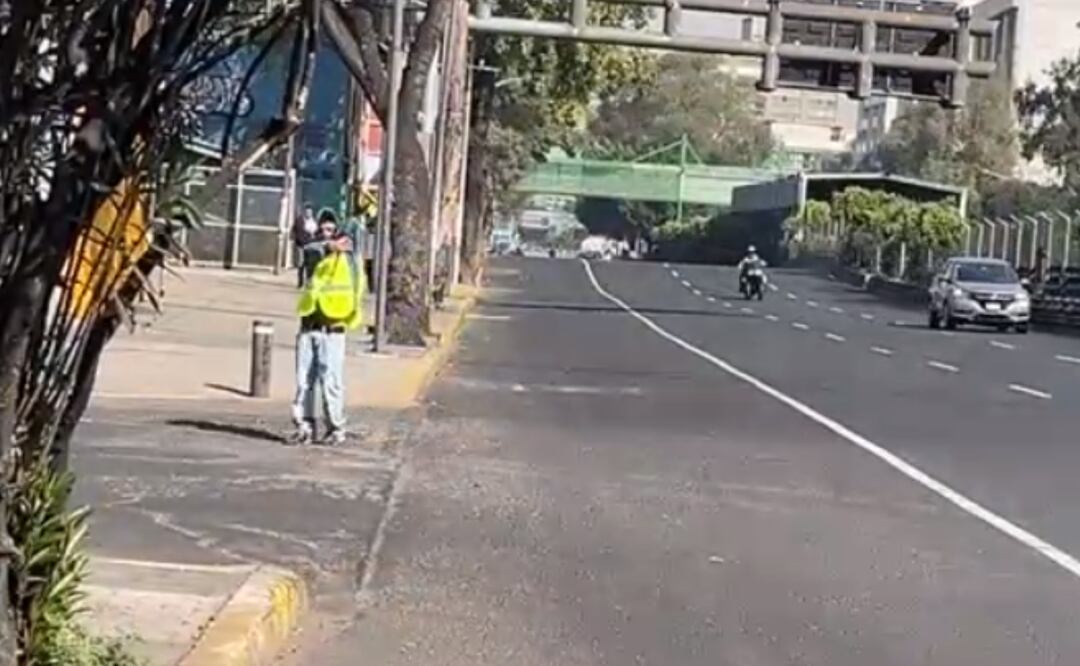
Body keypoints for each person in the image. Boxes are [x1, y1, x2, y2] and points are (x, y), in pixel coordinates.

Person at [290, 211, 365, 446]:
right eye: (323, 229)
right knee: (304, 381)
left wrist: (340, 246)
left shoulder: (349, 259)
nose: (327, 234)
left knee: (331, 381)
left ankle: (336, 428)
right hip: (309, 325)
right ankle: (305, 426)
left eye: (332, 230)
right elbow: (305, 243)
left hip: (334, 329)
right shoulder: (315, 252)